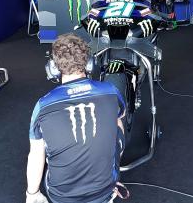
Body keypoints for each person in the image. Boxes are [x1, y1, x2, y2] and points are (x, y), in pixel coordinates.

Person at [26, 33, 126, 203]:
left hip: (61, 197)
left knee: (40, 146)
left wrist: (32, 194)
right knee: (116, 120)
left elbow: (35, 155)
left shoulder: (42, 105)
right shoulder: (110, 90)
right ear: (88, 64)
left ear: (53, 68)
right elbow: (121, 114)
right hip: (104, 192)